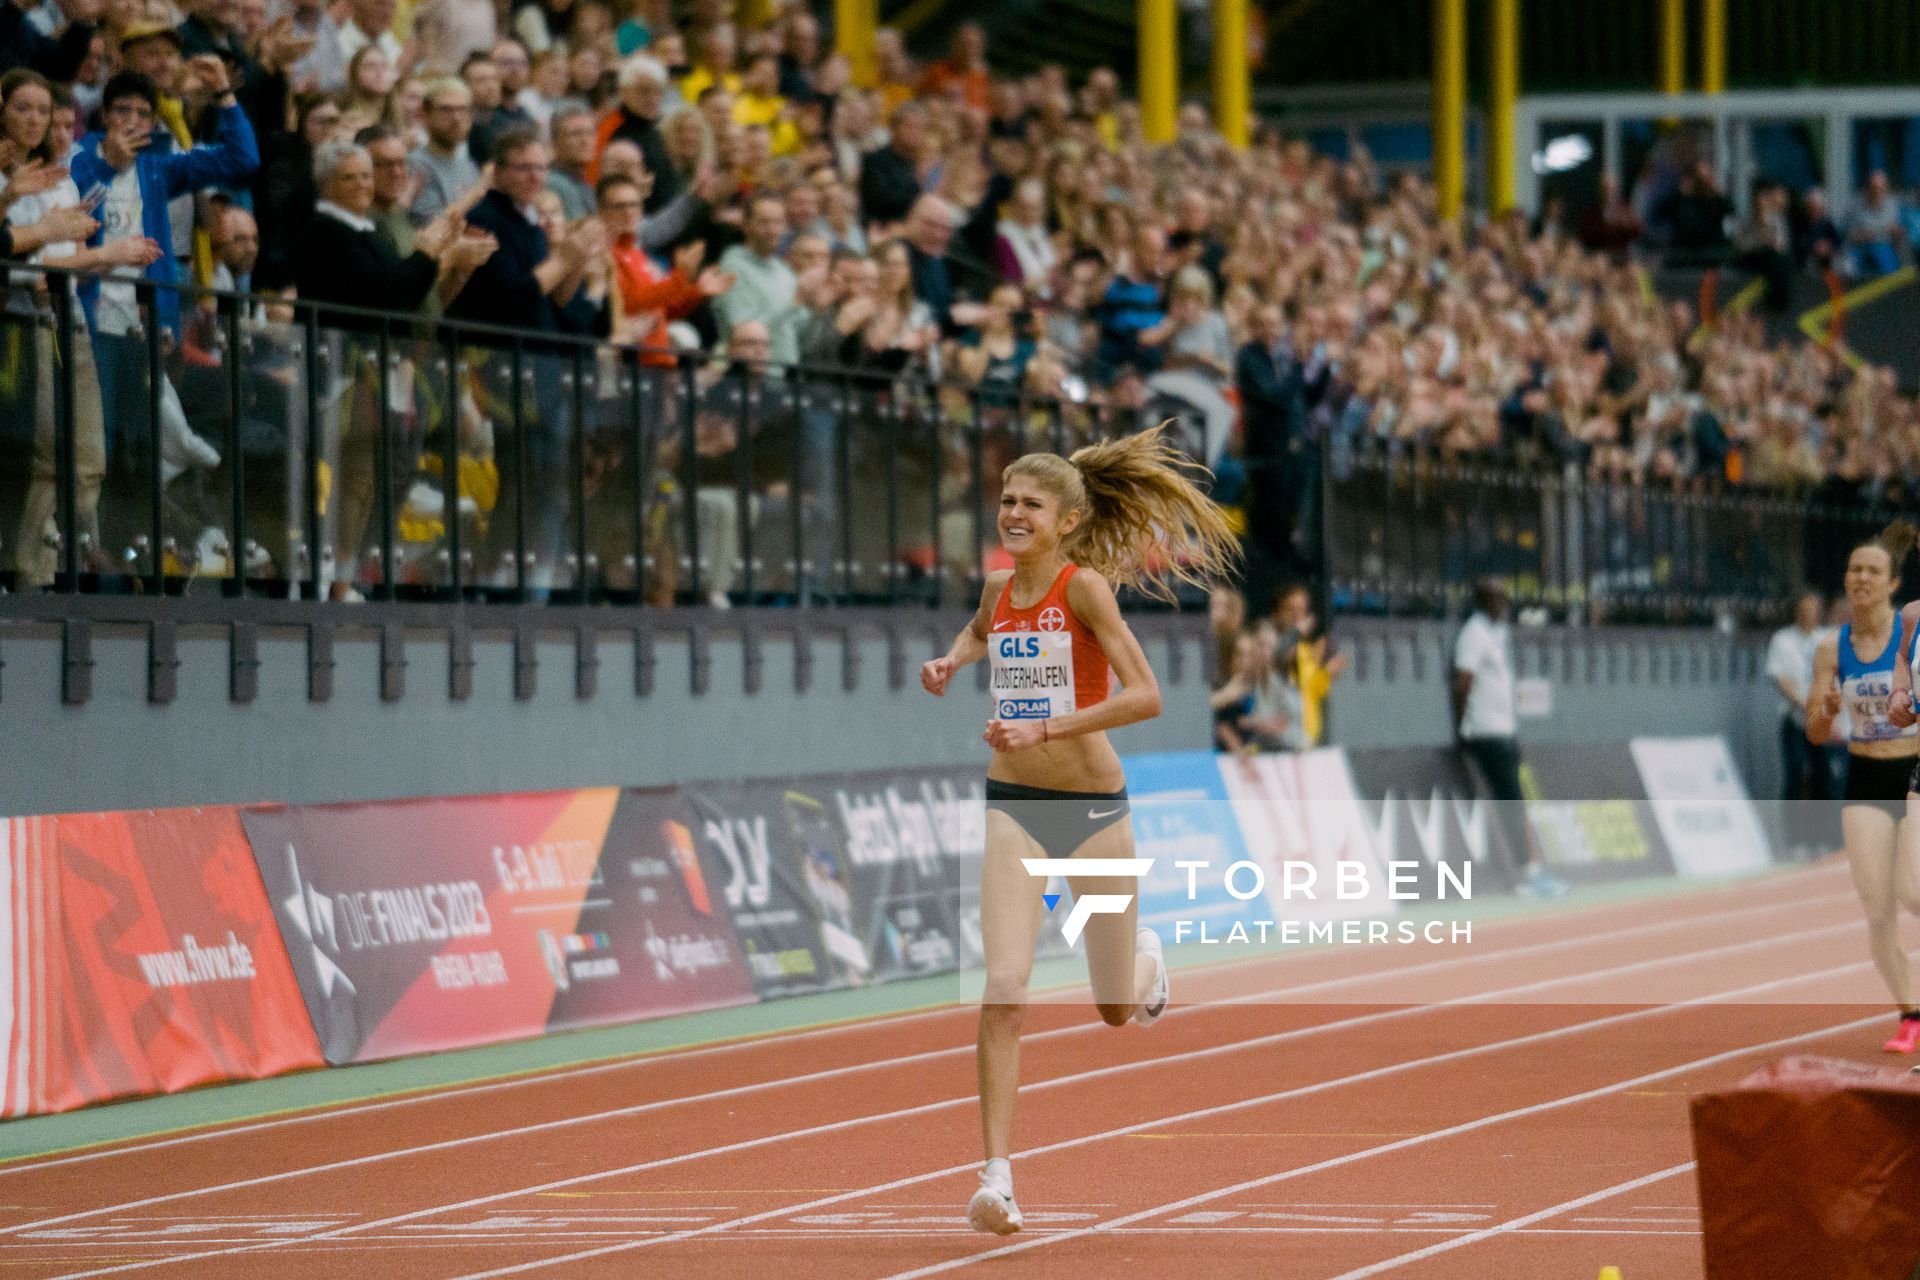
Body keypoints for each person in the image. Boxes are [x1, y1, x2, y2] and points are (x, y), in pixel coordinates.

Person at [918, 423, 1239, 1235]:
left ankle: (1141, 960)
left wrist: (1049, 727)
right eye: (1006, 501)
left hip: (1093, 809)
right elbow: (980, 630)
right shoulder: (997, 588)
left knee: (1113, 1009)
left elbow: (1147, 697)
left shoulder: (1085, 588)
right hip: (1014, 806)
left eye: (1030, 503)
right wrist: (953, 662)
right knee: (1005, 990)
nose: (1013, 513)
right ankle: (997, 1177)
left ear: (1065, 520)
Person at [1830, 522, 1920, 1053]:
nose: (1861, 577)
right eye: (1854, 569)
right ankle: (1912, 1013)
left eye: (1872, 570)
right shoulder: (1832, 647)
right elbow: (1819, 731)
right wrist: (1821, 712)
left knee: (1914, 893)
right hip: (1864, 778)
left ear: (1893, 583)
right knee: (1878, 906)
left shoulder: (1911, 637)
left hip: (1910, 772)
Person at [1451, 578, 1567, 897]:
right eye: (1497, 598)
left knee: (1515, 800)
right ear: (1483, 600)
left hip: (1502, 729)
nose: (1504, 603)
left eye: (1505, 597)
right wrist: (1463, 728)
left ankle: (1530, 869)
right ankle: (1525, 873)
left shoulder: (1496, 632)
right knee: (1511, 802)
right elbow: (1462, 682)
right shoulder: (1474, 634)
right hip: (1485, 731)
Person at [1768, 589, 1829, 859]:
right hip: (1795, 718)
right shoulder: (1783, 640)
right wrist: (1805, 703)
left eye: (1814, 609)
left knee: (1822, 777)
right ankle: (1793, 842)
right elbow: (1781, 680)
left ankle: (1818, 838)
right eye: (1805, 609)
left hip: (1822, 720)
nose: (1809, 614)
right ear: (1797, 611)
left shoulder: (1826, 639)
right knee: (1794, 775)